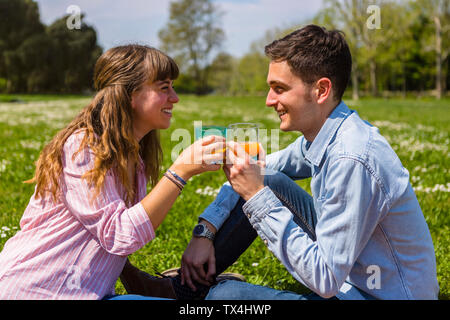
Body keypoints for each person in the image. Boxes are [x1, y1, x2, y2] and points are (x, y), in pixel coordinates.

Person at [121, 25, 439, 300]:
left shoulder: (351, 157)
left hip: (373, 293)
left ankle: (194, 291)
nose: (269, 101)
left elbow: (326, 280)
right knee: (268, 179)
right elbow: (256, 168)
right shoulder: (329, 134)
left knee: (224, 296)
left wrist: (257, 197)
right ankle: (182, 290)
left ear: (321, 90)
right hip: (350, 275)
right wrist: (205, 230)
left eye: (279, 89)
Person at [0, 45, 226, 300]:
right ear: (129, 94)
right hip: (36, 291)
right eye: (164, 88)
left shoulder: (133, 158)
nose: (175, 97)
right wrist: (180, 172)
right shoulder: (83, 147)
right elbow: (121, 236)